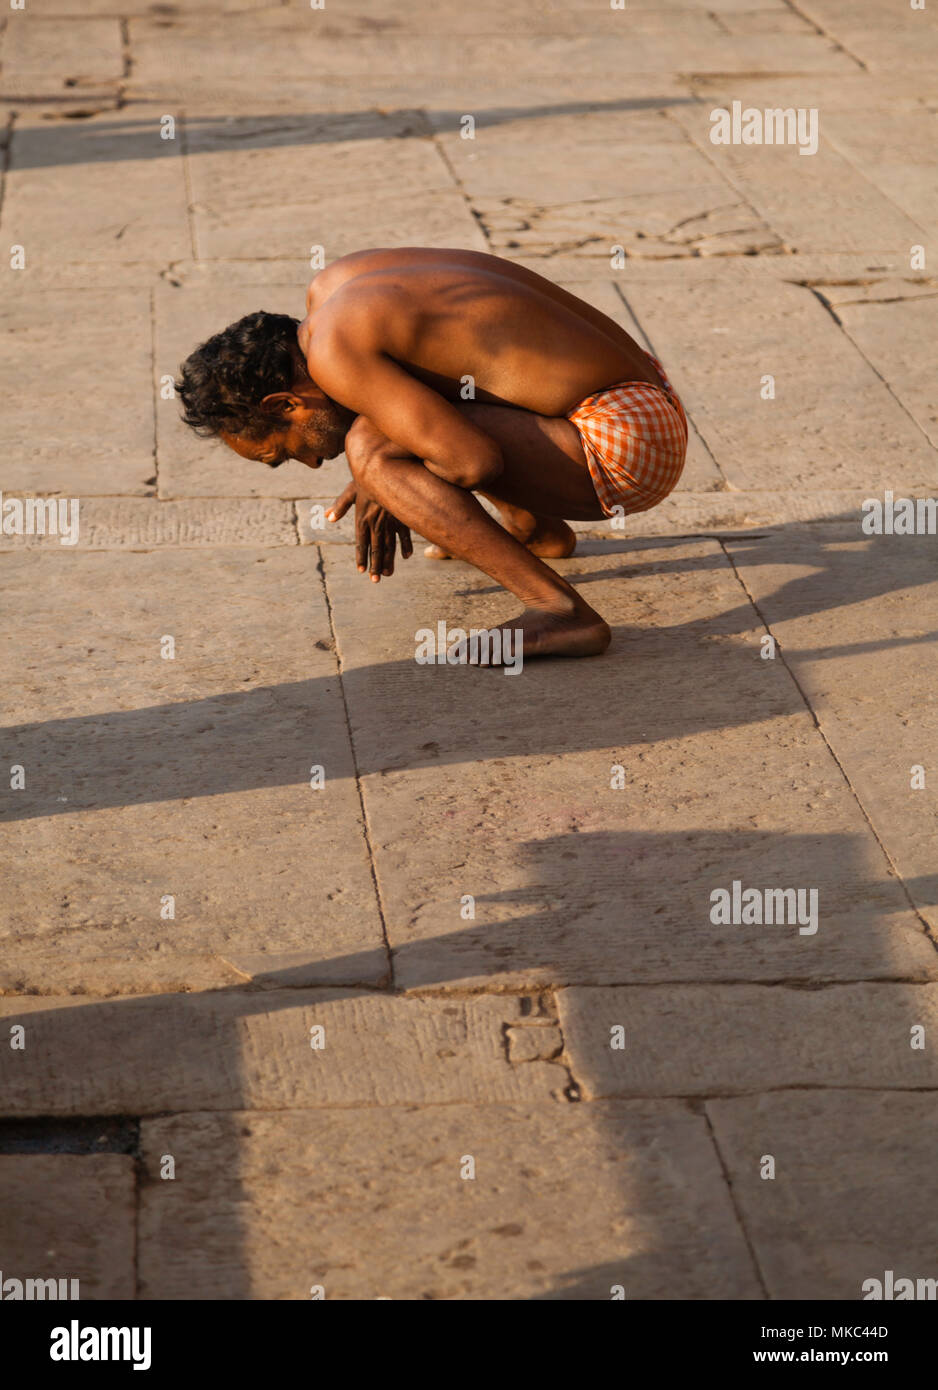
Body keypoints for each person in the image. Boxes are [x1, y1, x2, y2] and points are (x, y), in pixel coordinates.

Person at [177, 248, 688, 659]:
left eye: (283, 453)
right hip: (646, 395)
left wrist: (378, 480)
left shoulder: (334, 350)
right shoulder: (335, 285)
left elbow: (472, 464)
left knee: (372, 449)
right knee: (411, 417)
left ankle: (560, 611)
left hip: (629, 441)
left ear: (285, 402)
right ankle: (537, 531)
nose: (311, 463)